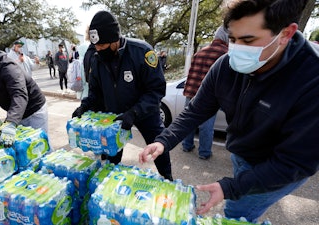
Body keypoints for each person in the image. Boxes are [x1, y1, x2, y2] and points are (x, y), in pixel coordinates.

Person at [139, 0, 318, 223]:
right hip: (241, 152)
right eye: (232, 39)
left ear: (285, 34)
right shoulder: (226, 65)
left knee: (236, 213)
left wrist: (230, 187)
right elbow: (195, 110)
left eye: (248, 40)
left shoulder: (311, 79)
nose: (237, 49)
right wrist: (164, 141)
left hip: (275, 167)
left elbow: (295, 163)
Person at [72, 11, 173, 181]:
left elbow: (155, 90)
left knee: (158, 147)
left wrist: (134, 113)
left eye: (102, 46)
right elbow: (96, 93)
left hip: (145, 113)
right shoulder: (97, 59)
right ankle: (111, 182)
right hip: (115, 116)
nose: (98, 50)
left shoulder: (141, 52)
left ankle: (168, 177)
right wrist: (85, 105)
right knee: (112, 155)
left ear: (114, 39)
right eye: (96, 47)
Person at [182, 26, 229, 160]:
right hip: (208, 96)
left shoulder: (200, 52)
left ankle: (187, 145)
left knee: (188, 121)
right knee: (206, 126)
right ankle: (204, 152)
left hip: (191, 92)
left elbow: (190, 74)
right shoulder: (226, 54)